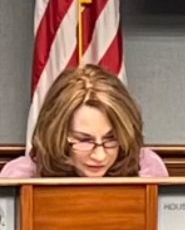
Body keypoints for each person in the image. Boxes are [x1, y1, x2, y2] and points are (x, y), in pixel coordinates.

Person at [1, 65, 167, 178]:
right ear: (57, 136)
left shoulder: (147, 169)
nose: (99, 156)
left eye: (111, 139)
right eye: (84, 140)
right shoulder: (21, 176)